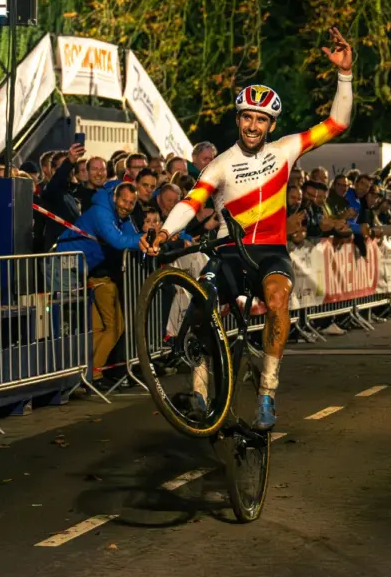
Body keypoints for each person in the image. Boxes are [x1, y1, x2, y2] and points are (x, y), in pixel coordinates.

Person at [143, 26, 353, 430]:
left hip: (271, 252)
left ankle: (267, 393)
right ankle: (201, 392)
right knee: (206, 313)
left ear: (271, 124)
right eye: (247, 118)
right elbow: (192, 202)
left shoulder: (286, 148)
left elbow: (337, 124)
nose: (253, 126)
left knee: (277, 301)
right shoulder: (219, 163)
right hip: (228, 252)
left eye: (261, 119)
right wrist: (165, 233)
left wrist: (344, 75)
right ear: (238, 119)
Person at [56, 183, 143, 388]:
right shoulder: (100, 212)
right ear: (115, 198)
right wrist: (145, 238)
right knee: (82, 327)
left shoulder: (120, 215)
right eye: (124, 200)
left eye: (131, 203)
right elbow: (120, 241)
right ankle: (86, 374)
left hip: (88, 272)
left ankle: (84, 375)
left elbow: (133, 234)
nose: (127, 206)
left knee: (96, 328)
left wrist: (151, 237)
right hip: (67, 269)